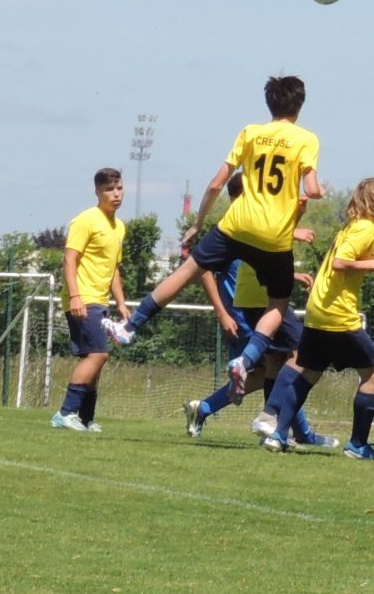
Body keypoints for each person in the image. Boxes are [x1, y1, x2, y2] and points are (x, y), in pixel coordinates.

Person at [119, 76, 325, 393]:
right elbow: (311, 188)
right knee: (277, 304)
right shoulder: (306, 139)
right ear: (300, 105)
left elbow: (217, 183)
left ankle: (131, 326)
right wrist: (317, 190)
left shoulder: (250, 132)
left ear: (269, 103)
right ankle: (246, 360)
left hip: (236, 225)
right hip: (274, 237)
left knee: (188, 270)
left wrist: (197, 224)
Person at [256, 175, 374, 460]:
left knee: (309, 373)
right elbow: (341, 262)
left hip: (319, 310)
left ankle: (278, 435)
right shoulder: (365, 228)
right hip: (338, 314)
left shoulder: (354, 226)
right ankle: (358, 445)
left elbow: (350, 262)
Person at [184, 250, 326, 445]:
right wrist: (222, 313)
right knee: (290, 360)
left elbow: (258, 266)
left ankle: (206, 409)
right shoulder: (230, 240)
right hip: (244, 315)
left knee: (271, 368)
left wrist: (291, 275)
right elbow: (205, 269)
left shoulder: (248, 241)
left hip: (254, 306)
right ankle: (290, 429)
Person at [53, 167, 130, 432]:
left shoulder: (119, 226)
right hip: (83, 299)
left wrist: (121, 303)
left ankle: (86, 419)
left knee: (93, 358)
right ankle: (65, 413)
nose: (116, 193)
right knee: (98, 354)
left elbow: (113, 269)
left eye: (119, 188)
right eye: (109, 189)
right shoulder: (86, 220)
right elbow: (69, 259)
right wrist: (75, 296)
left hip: (101, 301)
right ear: (97, 192)